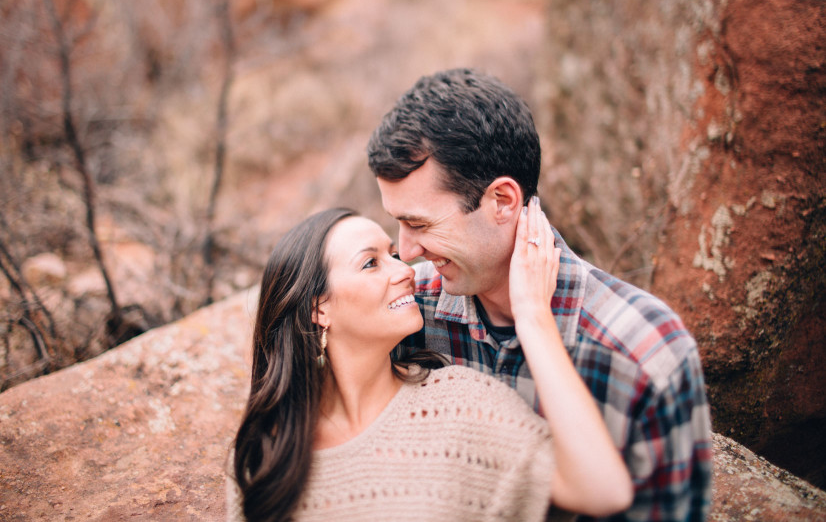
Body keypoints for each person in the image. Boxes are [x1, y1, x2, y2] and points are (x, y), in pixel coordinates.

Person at [367, 68, 713, 522]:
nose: (407, 251)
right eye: (398, 223)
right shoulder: (410, 312)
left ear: (503, 201)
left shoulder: (646, 355)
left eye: (420, 224)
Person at [227, 206, 633, 521]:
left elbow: (603, 489)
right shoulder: (264, 451)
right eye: (371, 263)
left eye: (392, 254)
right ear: (319, 309)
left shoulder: (461, 402)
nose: (405, 271)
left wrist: (534, 318)